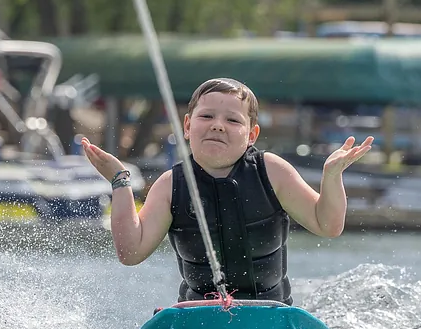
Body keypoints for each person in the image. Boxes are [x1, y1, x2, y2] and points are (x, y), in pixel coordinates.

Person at [82, 78, 373, 304]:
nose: (218, 126)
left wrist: (331, 175)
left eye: (233, 120)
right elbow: (131, 253)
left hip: (269, 315)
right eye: (206, 117)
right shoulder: (171, 185)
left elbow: (328, 225)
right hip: (199, 318)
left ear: (252, 135)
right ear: (187, 126)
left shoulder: (271, 171)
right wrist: (119, 181)